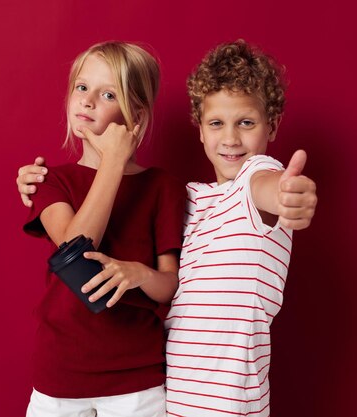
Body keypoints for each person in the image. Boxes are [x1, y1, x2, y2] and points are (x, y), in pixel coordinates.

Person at [17, 40, 318, 416]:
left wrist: (288, 195)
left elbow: (264, 187)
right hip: (170, 393)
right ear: (201, 132)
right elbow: (78, 245)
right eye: (216, 124)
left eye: (246, 123)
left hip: (199, 396)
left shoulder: (248, 178)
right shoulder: (193, 196)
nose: (230, 138)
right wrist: (92, 166)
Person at [21, 41, 186, 417]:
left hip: (136, 380)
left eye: (107, 93)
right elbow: (76, 246)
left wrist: (138, 273)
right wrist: (113, 160)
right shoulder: (50, 182)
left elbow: (167, 286)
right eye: (82, 87)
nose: (88, 100)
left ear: (136, 116)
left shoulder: (164, 188)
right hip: (61, 374)